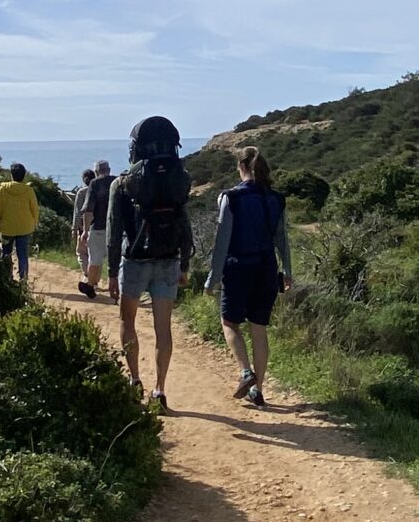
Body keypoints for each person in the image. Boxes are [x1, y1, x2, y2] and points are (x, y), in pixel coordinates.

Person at [105, 118, 192, 407]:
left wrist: (111, 273)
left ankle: (134, 379)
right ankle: (160, 390)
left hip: (135, 261)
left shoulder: (122, 183)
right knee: (163, 329)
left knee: (127, 320)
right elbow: (184, 223)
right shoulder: (179, 178)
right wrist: (185, 265)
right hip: (168, 259)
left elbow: (114, 232)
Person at [205, 145, 292, 407]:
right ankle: (258, 390)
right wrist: (288, 271)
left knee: (229, 322)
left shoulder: (230, 198)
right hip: (267, 268)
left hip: (238, 267)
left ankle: (245, 372)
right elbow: (282, 239)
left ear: (241, 166)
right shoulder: (276, 199)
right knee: (259, 328)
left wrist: (212, 278)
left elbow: (222, 242)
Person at [0, 160, 41, 286]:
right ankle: (23, 281)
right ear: (24, 175)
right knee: (22, 255)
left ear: (11, 174)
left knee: (6, 254)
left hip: (7, 227)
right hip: (25, 227)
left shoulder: (2, 189)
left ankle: (7, 279)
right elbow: (34, 208)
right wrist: (35, 222)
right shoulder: (28, 190)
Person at [76, 157, 113, 300]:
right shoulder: (117, 181)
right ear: (109, 170)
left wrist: (85, 231)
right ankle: (117, 288)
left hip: (98, 228)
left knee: (95, 259)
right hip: (116, 228)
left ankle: (91, 285)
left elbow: (88, 210)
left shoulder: (95, 184)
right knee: (116, 260)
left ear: (96, 172)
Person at [72, 168, 96, 284]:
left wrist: (74, 228)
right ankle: (94, 277)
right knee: (94, 253)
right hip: (97, 226)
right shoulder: (98, 191)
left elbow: (77, 212)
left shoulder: (81, 193)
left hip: (83, 227)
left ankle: (87, 274)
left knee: (81, 252)